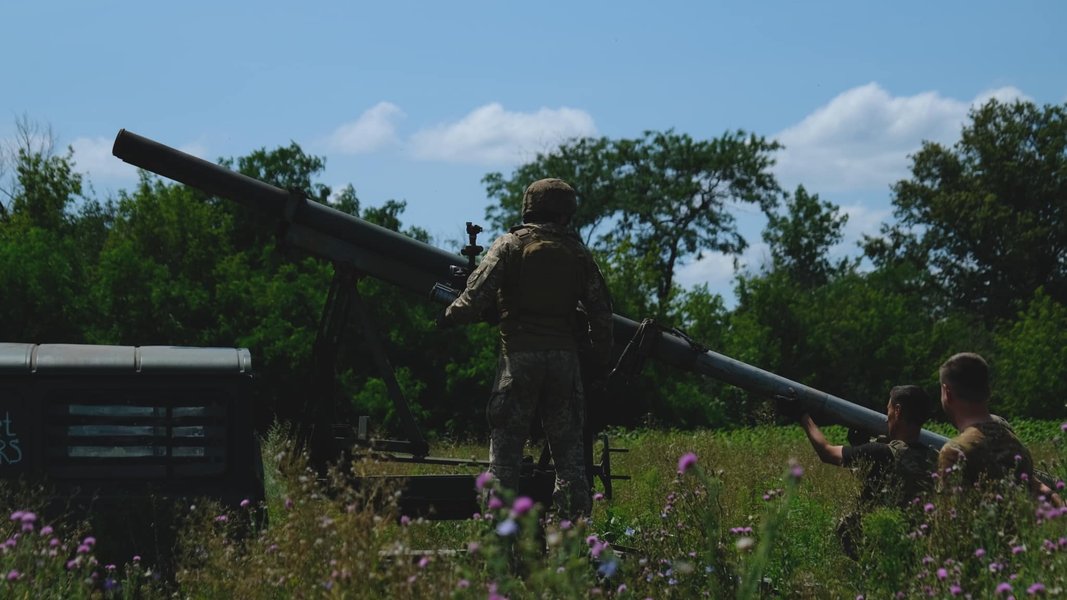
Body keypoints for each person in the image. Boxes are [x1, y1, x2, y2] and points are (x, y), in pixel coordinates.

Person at [442, 178, 613, 518]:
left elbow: (474, 299)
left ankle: (502, 544)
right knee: (570, 463)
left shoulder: (509, 245)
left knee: (504, 461)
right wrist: (599, 360)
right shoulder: (578, 253)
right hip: (564, 364)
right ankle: (573, 542)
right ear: (566, 212)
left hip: (518, 361)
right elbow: (602, 312)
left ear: (529, 207)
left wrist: (447, 315)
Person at [793, 385, 937, 558]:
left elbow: (827, 452)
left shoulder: (880, 452)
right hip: (917, 548)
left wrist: (803, 417)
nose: (886, 419)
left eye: (888, 410)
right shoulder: (934, 458)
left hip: (877, 547)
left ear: (897, 411)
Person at [937, 352, 1041, 494]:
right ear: (987, 391)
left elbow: (951, 513)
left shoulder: (955, 452)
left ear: (947, 393)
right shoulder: (1015, 443)